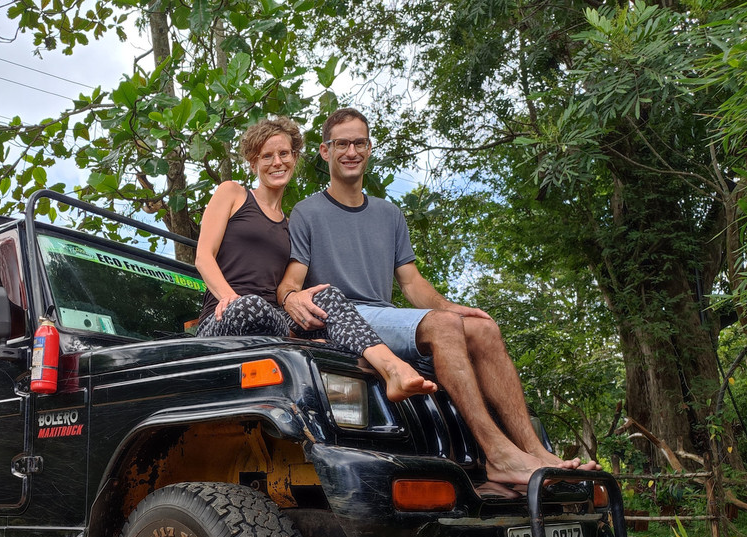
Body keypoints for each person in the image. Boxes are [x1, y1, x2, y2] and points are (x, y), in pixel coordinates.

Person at [278, 107, 597, 487]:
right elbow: (291, 281)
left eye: (359, 143)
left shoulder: (389, 214)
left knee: (483, 330)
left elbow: (411, 283)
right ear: (325, 151)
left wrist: (450, 308)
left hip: (385, 316)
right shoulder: (306, 212)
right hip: (348, 318)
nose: (351, 151)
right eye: (341, 143)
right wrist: (290, 298)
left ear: (369, 148)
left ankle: (537, 453)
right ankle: (498, 456)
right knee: (444, 327)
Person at [195, 116, 437, 402]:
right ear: (253, 162)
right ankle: (303, 342)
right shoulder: (233, 193)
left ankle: (393, 368)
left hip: (273, 323)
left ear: (294, 157)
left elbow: (289, 287)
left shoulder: (291, 223)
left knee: (327, 295)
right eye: (267, 156)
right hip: (224, 318)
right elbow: (203, 257)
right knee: (251, 305)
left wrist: (305, 305)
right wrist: (228, 297)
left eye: (284, 153)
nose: (277, 162)